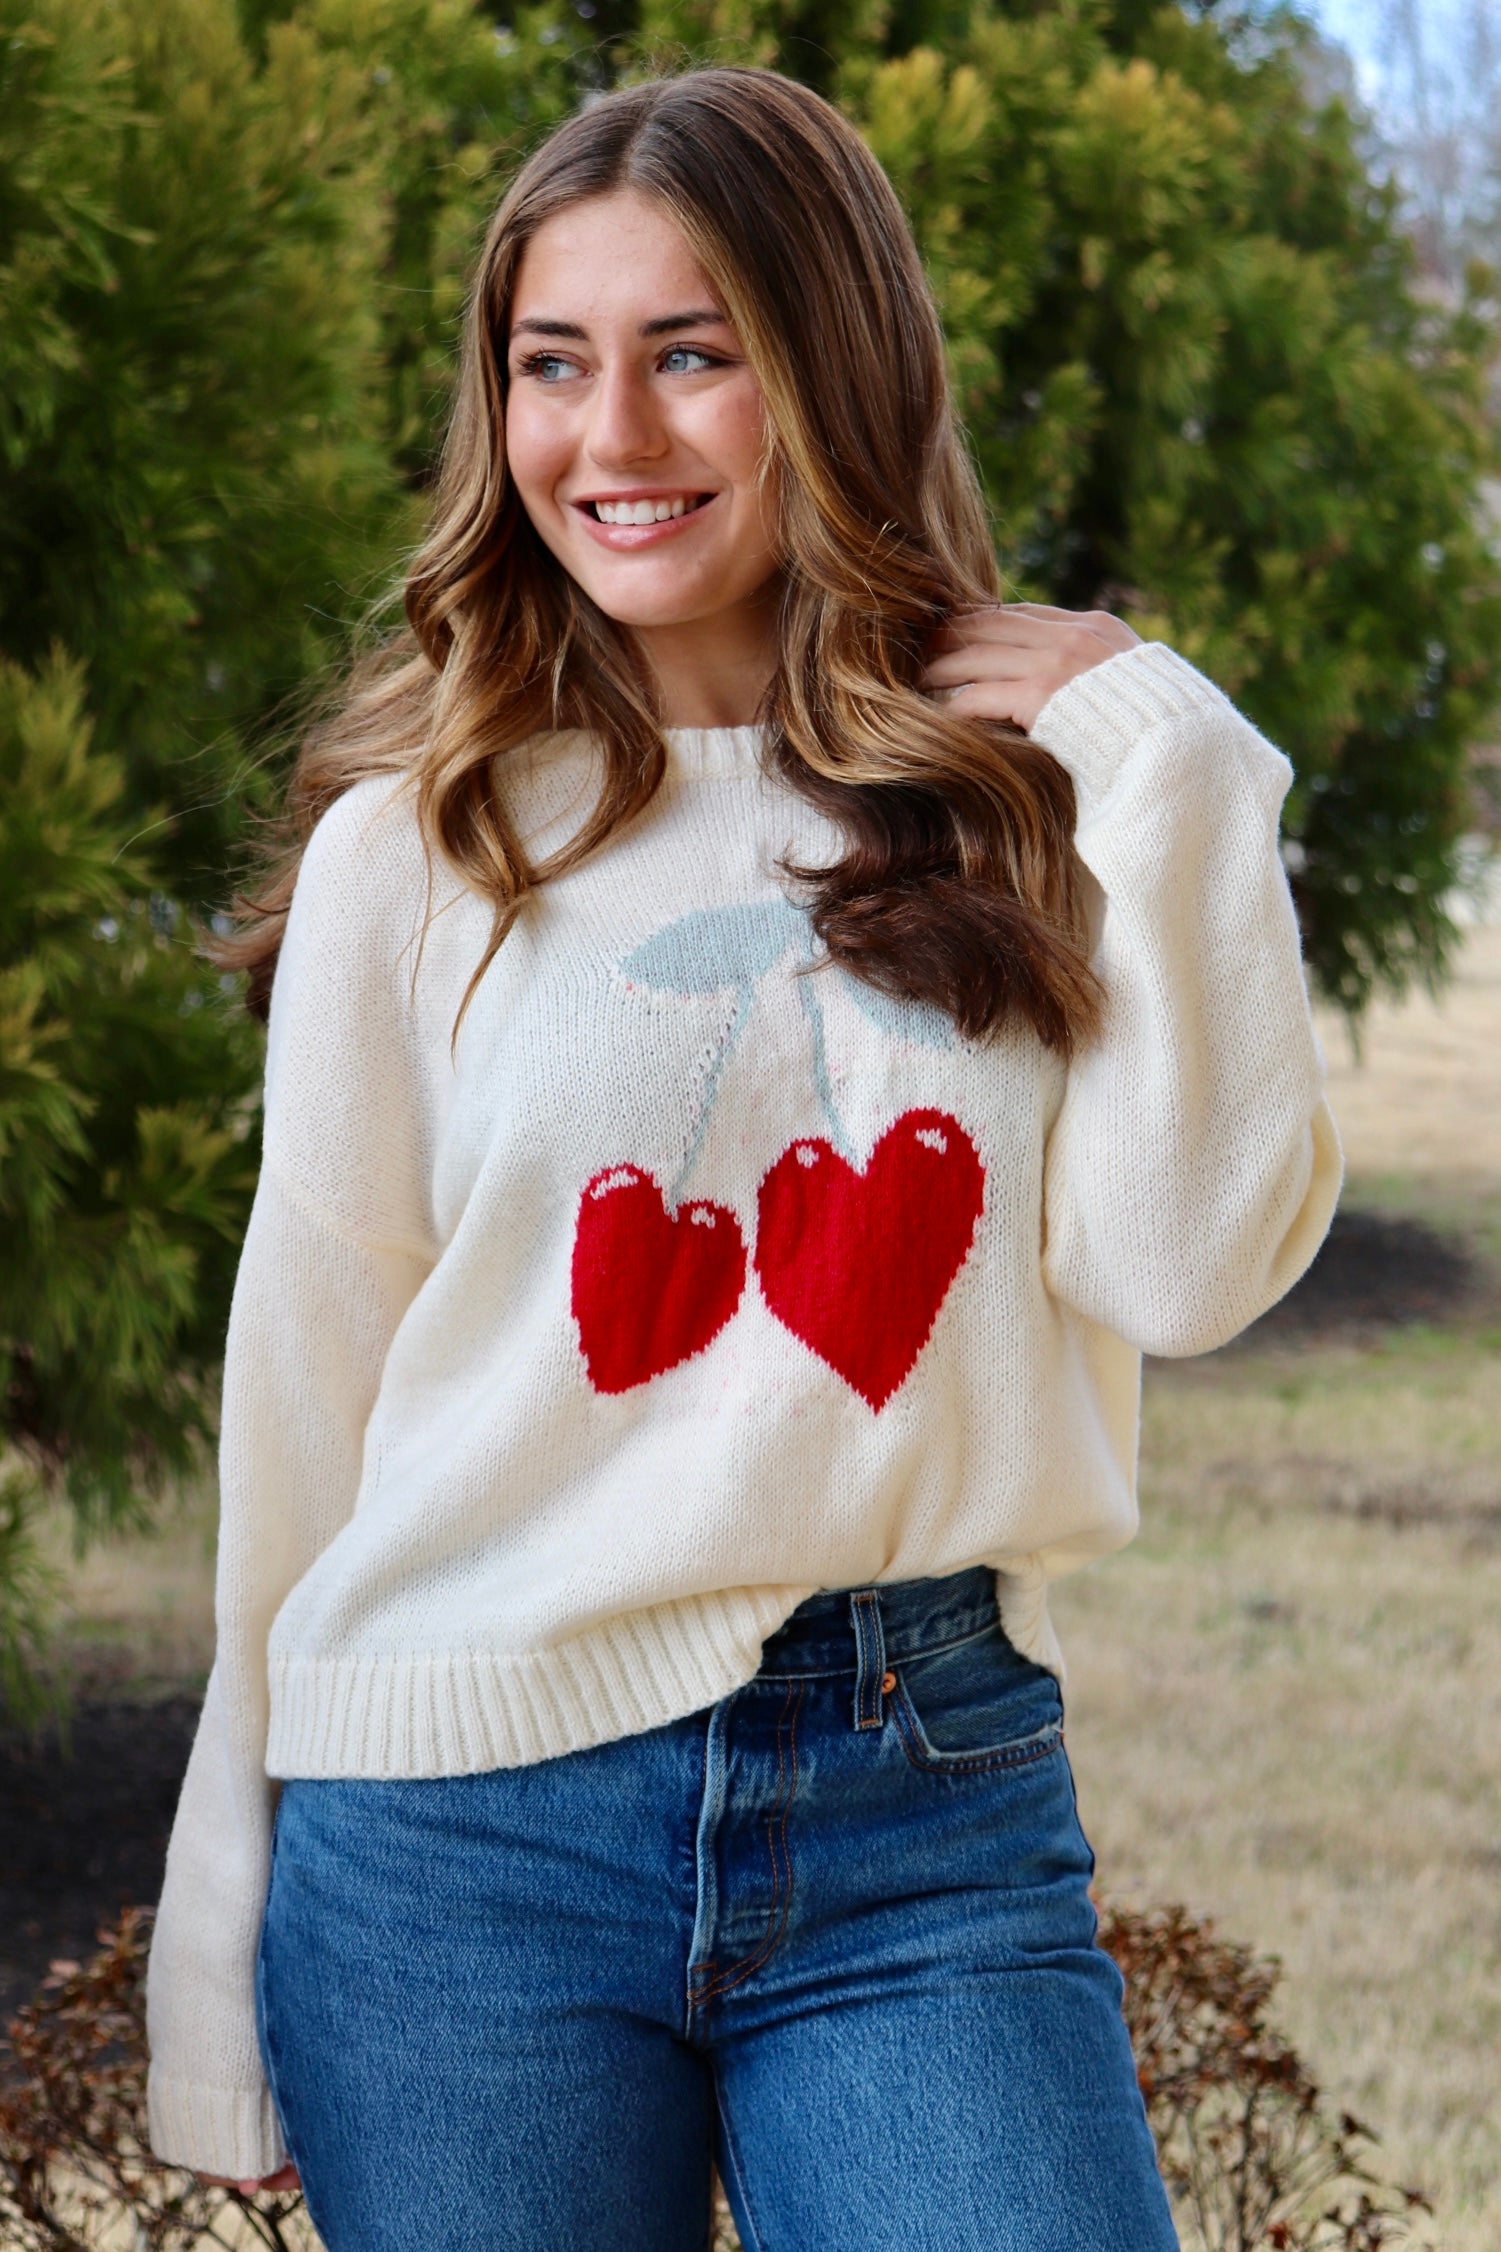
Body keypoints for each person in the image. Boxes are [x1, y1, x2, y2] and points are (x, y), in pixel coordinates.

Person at [144, 65, 1342, 2252]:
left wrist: (1166, 757)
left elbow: (1187, 1270)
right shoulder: (417, 849)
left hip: (923, 1806)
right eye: (551, 363)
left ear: (831, 369)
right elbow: (301, 1412)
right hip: (456, 1844)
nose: (611, 434)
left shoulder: (1030, 803)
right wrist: (211, 1947)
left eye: (691, 354)